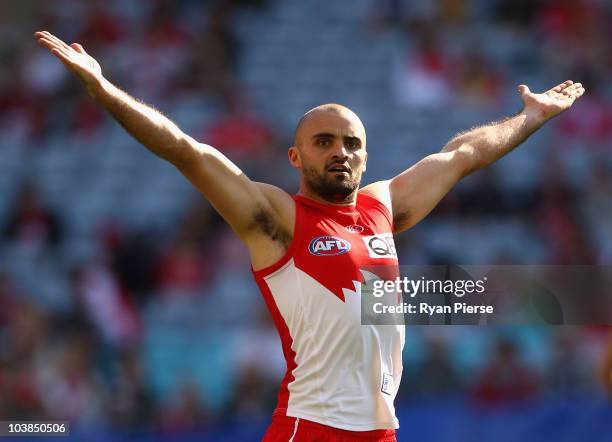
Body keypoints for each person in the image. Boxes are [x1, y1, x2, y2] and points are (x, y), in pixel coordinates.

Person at [34, 30, 585, 441]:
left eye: (350, 143)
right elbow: (186, 150)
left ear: (366, 157)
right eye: (323, 142)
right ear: (296, 156)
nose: (339, 152)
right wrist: (104, 89)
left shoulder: (383, 207)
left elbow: (462, 155)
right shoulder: (276, 219)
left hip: (380, 432)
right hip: (311, 430)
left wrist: (530, 118)